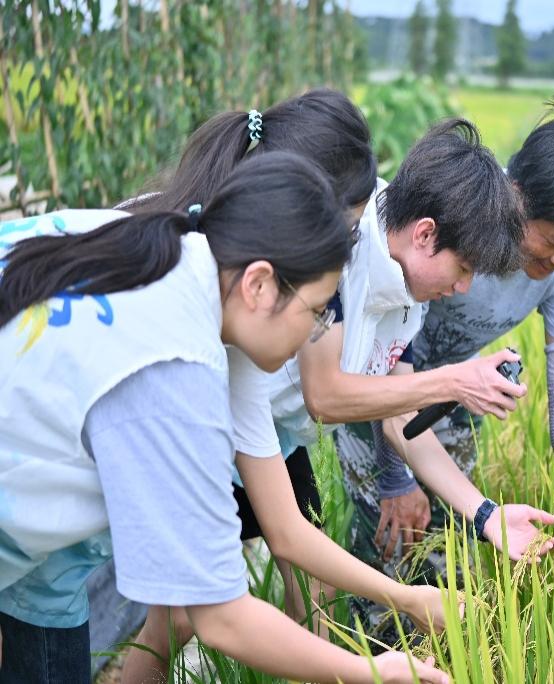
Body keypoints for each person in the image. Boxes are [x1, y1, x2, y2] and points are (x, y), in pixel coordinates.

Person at [0, 152, 449, 684]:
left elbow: (283, 530)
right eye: (316, 310)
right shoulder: (175, 368)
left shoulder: (173, 247)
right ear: (259, 285)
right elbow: (221, 617)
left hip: (40, 564)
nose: (315, 335)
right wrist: (372, 671)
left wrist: (403, 598)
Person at [337, 95, 554, 637]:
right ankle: (367, 655)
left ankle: (436, 660)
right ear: (517, 196)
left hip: (451, 388)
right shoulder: (459, 219)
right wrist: (397, 478)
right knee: (393, 533)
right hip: (367, 378)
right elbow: (384, 360)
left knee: (458, 545)